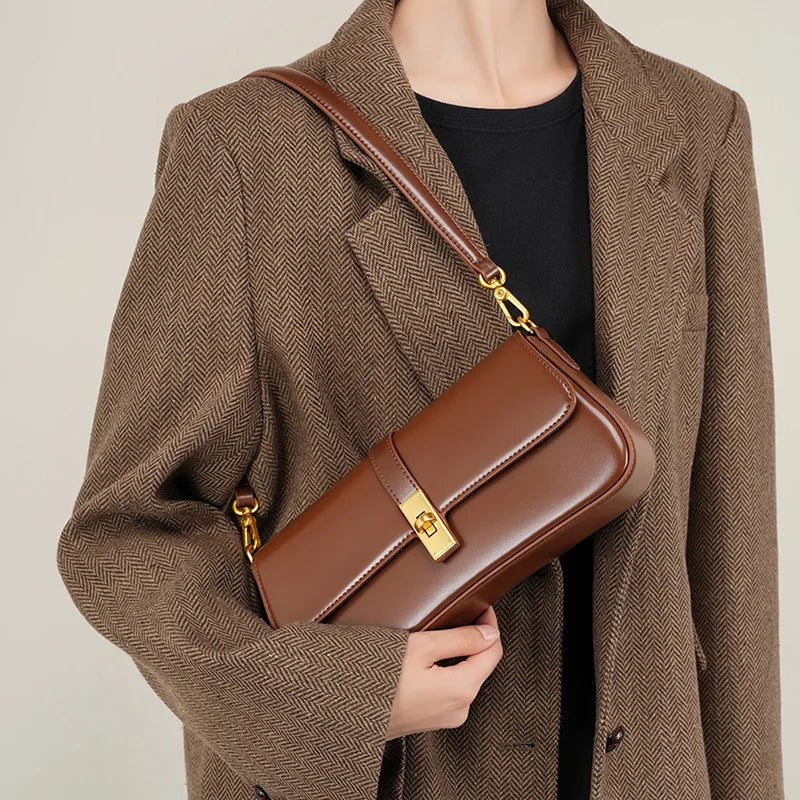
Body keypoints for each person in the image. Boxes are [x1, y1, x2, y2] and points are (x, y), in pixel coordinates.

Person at [56, 0, 783, 799]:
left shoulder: (697, 128)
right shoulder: (244, 147)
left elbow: (731, 535)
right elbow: (125, 537)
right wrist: (344, 697)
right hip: (398, 776)